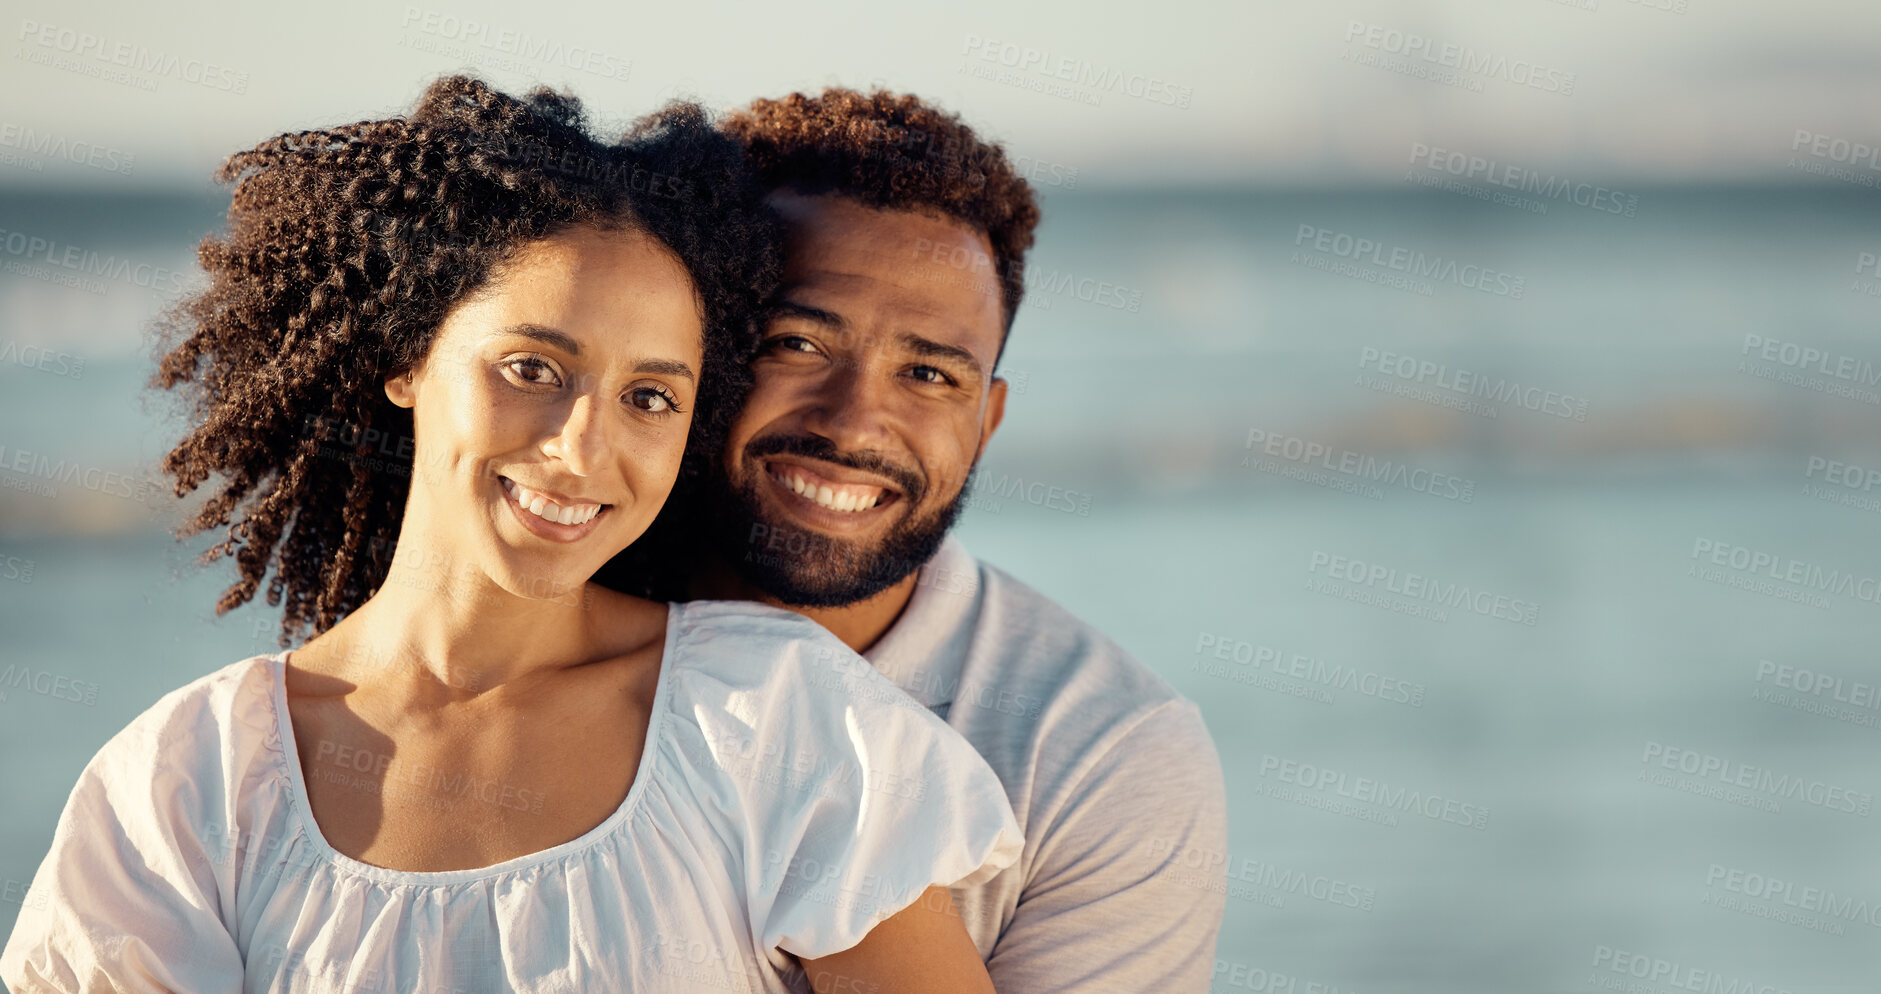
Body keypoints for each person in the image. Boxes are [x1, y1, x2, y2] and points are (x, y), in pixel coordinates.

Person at [0, 76, 1022, 994]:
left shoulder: (780, 723)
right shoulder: (190, 783)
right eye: (532, 368)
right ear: (407, 357)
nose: (584, 450)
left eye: (651, 397)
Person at [604, 88, 1230, 992]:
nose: (856, 423)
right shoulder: (521, 640)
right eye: (796, 344)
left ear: (987, 421)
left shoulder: (1101, 750)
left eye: (929, 373)